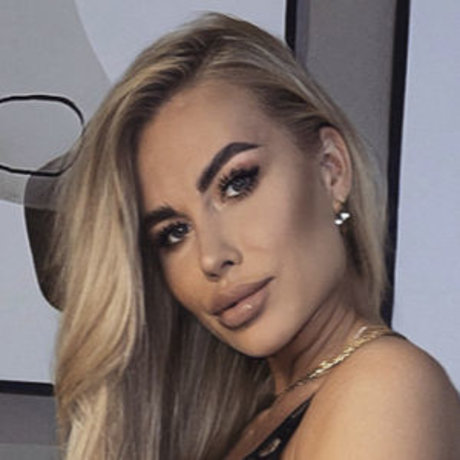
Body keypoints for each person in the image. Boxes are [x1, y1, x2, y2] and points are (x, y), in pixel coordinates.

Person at [51, 13, 460, 460]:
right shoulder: (260, 418)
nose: (211, 257)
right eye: (174, 232)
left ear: (331, 169)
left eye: (236, 184)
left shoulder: (384, 388)